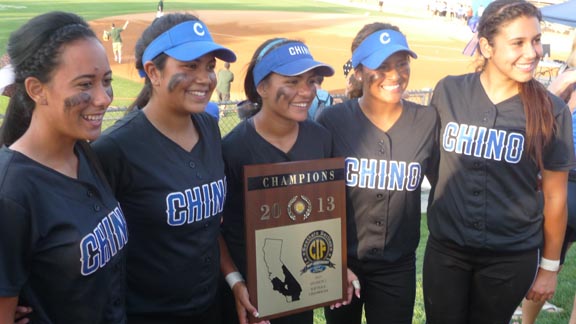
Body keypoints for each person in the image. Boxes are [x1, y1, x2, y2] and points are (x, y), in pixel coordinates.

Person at [422, 1, 576, 323]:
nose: (533, 52)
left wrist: (549, 267)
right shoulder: (449, 91)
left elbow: (555, 196)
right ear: (486, 47)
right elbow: (435, 165)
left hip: (510, 257)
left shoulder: (552, 110)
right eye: (518, 43)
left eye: (536, 40)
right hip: (447, 251)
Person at [91, 13, 236, 324]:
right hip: (147, 314)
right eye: (189, 66)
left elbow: (209, 228)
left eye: (209, 67)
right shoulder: (115, 149)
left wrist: (233, 280)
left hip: (211, 306)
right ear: (153, 72)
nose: (205, 78)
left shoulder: (209, 128)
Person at [218, 37, 359, 324]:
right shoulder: (232, 149)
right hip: (251, 296)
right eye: (293, 81)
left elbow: (325, 215)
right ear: (262, 87)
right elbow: (215, 228)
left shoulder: (320, 138)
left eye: (312, 81)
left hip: (299, 294)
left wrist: (335, 269)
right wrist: (235, 282)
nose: (306, 91)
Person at [0, 11, 126, 323]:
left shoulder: (83, 152)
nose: (103, 98)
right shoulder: (11, 193)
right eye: (85, 83)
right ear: (35, 89)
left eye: (106, 81)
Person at [318, 23, 438, 324]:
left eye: (401, 64)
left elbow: (448, 179)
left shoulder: (426, 121)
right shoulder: (333, 120)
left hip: (397, 267)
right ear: (358, 71)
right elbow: (317, 197)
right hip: (339, 262)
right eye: (382, 67)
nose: (395, 75)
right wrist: (331, 263)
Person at [520, 50, 576, 324]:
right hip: (563, 180)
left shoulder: (566, 79)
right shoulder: (567, 81)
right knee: (548, 258)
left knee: (549, 259)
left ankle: (527, 321)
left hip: (561, 180)